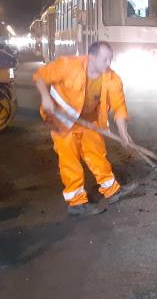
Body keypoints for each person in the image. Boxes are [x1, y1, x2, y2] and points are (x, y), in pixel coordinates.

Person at [33, 41, 137, 216]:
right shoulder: (68, 65)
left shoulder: (112, 78)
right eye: (105, 59)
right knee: (70, 159)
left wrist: (123, 134)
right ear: (92, 57)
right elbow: (40, 76)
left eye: (110, 59)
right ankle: (76, 203)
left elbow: (119, 108)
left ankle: (111, 190)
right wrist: (45, 97)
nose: (108, 64)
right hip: (60, 119)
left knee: (96, 153)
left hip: (90, 120)